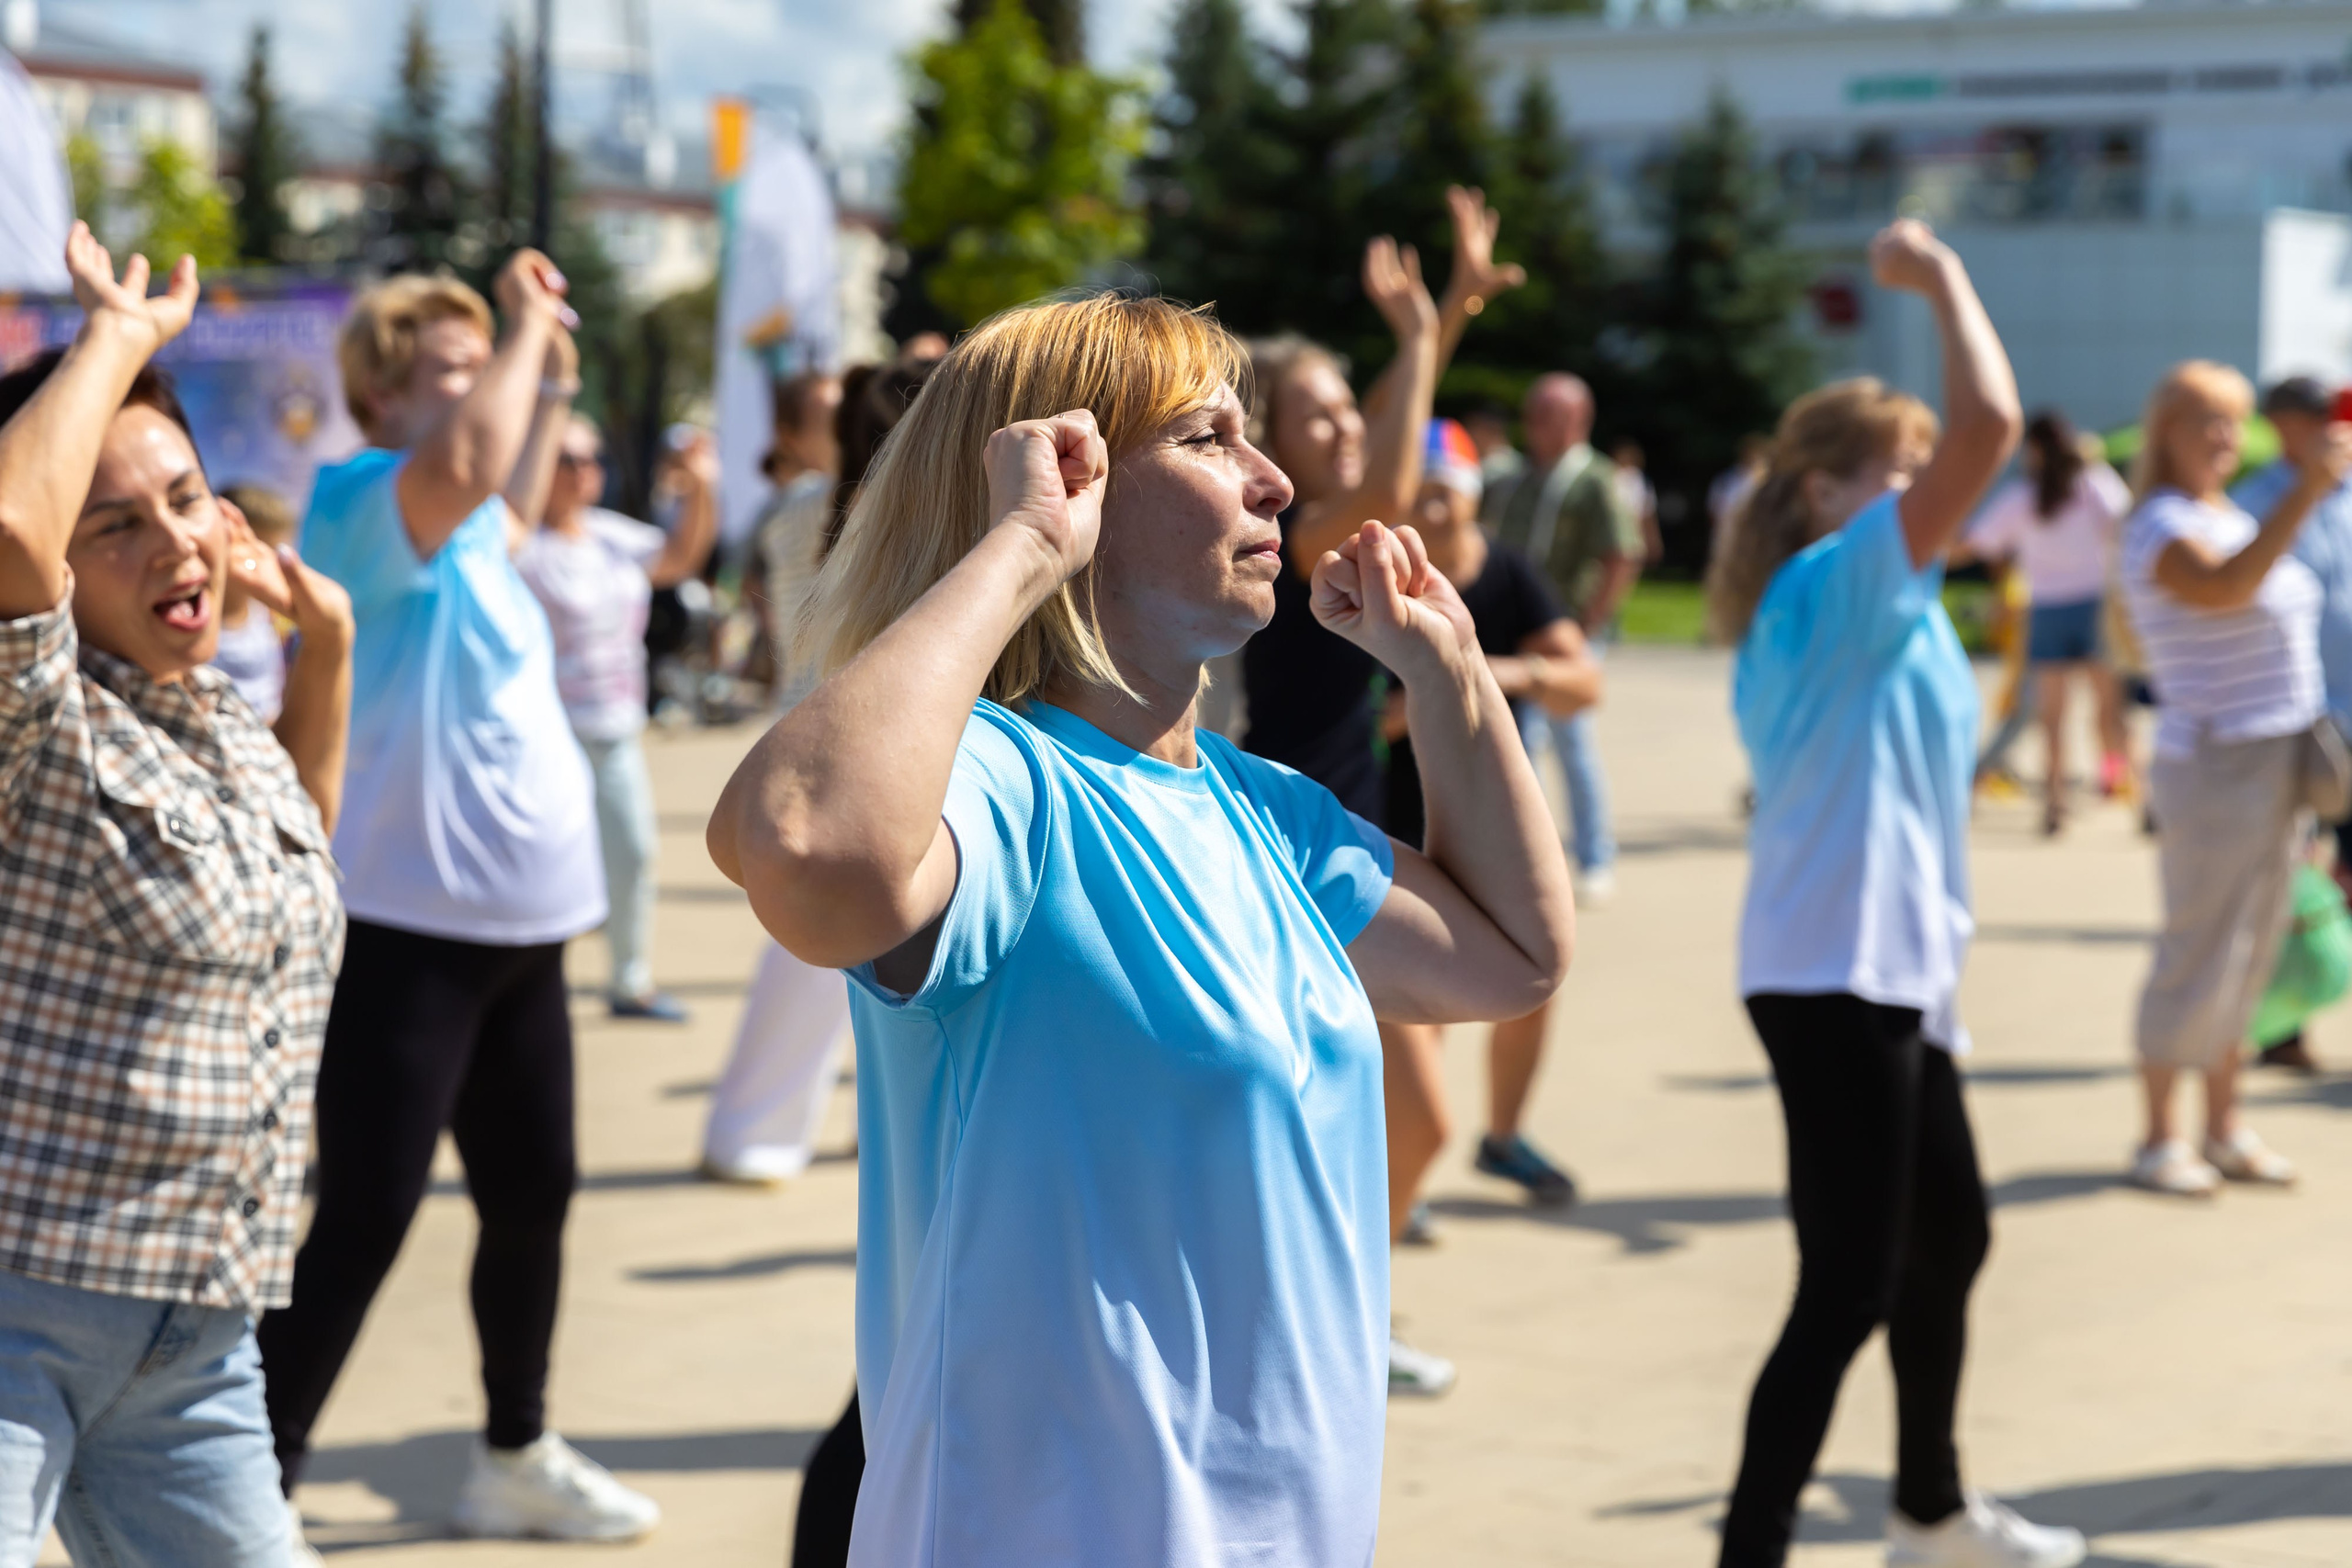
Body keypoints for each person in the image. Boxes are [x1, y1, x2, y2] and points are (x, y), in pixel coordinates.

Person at [706, 292, 1575, 1565]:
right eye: (1214, 437)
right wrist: (1013, 550)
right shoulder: (1006, 785)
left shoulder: (1260, 808)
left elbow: (1513, 956)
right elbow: (802, 841)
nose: (1275, 481)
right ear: (1074, 483)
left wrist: (1448, 673)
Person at [255, 256, 661, 1540]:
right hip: (405, 931)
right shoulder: (363, 498)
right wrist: (531, 321)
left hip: (518, 931)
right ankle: (244, 1488)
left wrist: (543, 379)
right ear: (377, 400)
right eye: (450, 368)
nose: (484, 384)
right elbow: (473, 466)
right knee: (365, 1215)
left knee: (534, 1188)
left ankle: (514, 1444)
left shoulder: (476, 519)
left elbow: (511, 482)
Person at [1707, 220, 2086, 1568]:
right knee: (1847, 1286)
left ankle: (1928, 1511)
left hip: (1896, 969)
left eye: (1925, 474)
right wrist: (1943, 281)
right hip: (1830, 972)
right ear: (1820, 489)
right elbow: (1991, 420)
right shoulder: (1834, 583)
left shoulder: (1898, 603)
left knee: (1953, 1237)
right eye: (1903, 469)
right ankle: (1751, 1547)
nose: (1935, 485)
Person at [0, 228, 352, 1563]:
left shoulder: (205, 712)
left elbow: (293, 872)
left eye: (188, 497)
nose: (172, 540)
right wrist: (118, 340)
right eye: (115, 524)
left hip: (196, 1330)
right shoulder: (34, 719)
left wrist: (330, 648)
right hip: (19, 1310)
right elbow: (7, 526)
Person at [1378, 420, 1600, 1309]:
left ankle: (1501, 1136)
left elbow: (1585, 682)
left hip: (1483, 825)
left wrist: (1480, 670)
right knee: (1422, 1008)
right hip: (1389, 825)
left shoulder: (1508, 574)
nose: (1432, 507)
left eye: (1447, 493)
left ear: (1473, 496)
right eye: (1419, 494)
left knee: (1533, 978)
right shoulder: (1376, 576)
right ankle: (1409, 1175)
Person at [2118, 361, 2349, 1196]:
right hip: (2216, 762)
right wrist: (2306, 492)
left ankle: (2222, 1125)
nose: (2223, 437)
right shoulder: (2159, 523)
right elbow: (2226, 588)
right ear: (2167, 428)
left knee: (2251, 953)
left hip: (2280, 756)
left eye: (2233, 421)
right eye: (2207, 421)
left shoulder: (2226, 510)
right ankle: (2156, 1135)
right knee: (2198, 948)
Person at [701, 359, 934, 1190]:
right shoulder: (905, 517)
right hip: (874, 743)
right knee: (873, 959)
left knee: (827, 956)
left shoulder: (802, 509)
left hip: (807, 733)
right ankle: (786, 1130)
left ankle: (761, 1128)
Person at [1241, 183, 1525, 822]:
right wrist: (1421, 338)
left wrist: (1458, 300)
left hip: (1345, 815)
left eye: (1348, 407)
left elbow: (1391, 410)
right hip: (1290, 822)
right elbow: (1388, 492)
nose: (1347, 428)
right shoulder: (1283, 531)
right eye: (1318, 416)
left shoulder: (1325, 502)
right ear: (1269, 435)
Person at [514, 414, 719, 1022]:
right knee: (542, 866)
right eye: (568, 459)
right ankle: (524, 992)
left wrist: (702, 482)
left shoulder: (606, 534)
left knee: (631, 853)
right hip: (544, 734)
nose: (585, 472)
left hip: (615, 727)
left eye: (591, 459)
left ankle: (629, 982)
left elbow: (680, 555)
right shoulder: (517, 542)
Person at [1482, 371, 1641, 903]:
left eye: (1546, 416)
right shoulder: (1520, 477)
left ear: (1577, 421)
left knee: (1573, 745)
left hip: (1565, 629)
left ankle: (1595, 858)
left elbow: (1623, 553)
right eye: (1531, 414)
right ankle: (1534, 859)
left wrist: (1589, 623)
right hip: (1517, 631)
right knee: (1520, 747)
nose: (1533, 426)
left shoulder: (1593, 478)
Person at [2233, 375, 2352, 1072]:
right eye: (2317, 419)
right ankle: (2282, 1024)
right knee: (2291, 879)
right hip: (2297, 721)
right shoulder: (2254, 502)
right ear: (2281, 424)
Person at [1958, 409, 2132, 832]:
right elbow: (2125, 527)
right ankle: (2135, 791)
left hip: (2048, 609)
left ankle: (2055, 804)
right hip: (2095, 604)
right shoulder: (2094, 483)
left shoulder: (2022, 496)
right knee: (2110, 713)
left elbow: (1978, 542)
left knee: (2053, 717)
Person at [752, 370, 843, 710]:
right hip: (811, 706)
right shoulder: (801, 499)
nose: (846, 424)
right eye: (830, 417)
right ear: (790, 437)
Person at [210, 482, 298, 720]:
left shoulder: (273, 617)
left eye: (277, 554)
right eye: (256, 555)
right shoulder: (200, 619)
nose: (269, 567)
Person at [1611, 436, 1662, 565]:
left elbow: (1647, 512)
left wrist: (1653, 537)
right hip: (1616, 526)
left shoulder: (1640, 480)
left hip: (1634, 527)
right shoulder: (1610, 476)